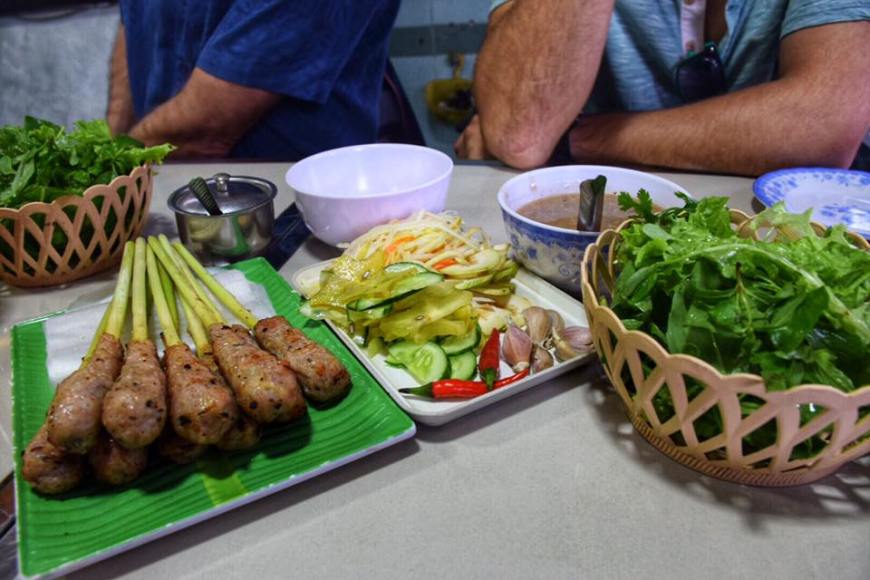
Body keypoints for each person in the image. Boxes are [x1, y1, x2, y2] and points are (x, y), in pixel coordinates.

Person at [455, 0, 870, 176]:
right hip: (596, 243)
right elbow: (521, 132)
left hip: (799, 251)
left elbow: (822, 124)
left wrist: (579, 138)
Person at [108, 0, 400, 160]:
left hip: (284, 222)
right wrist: (110, 142)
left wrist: (108, 168)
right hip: (158, 184)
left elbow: (208, 126)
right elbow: (134, 20)